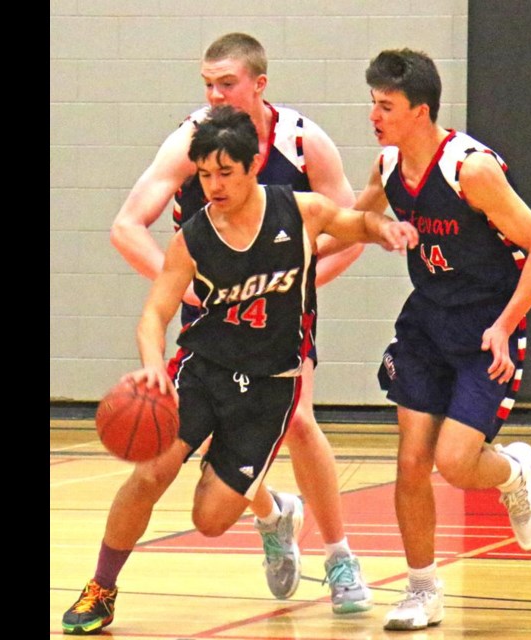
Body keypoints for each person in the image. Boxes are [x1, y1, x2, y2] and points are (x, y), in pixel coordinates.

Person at [64, 107, 418, 635]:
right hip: (204, 370)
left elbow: (354, 222)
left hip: (270, 390)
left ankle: (274, 511)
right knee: (150, 474)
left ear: (253, 166)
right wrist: (153, 368)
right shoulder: (194, 237)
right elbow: (154, 313)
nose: (214, 185)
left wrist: (385, 230)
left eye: (225, 172)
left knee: (209, 521)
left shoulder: (298, 210)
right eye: (204, 174)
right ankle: (101, 588)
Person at [355, 49, 531, 631]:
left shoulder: (470, 170)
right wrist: (330, 249)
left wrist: (504, 324)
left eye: (387, 106)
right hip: (426, 323)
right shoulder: (389, 165)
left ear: (421, 111)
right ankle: (422, 589)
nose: (375, 115)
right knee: (411, 460)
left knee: (455, 462)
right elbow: (351, 219)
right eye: (373, 103)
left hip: (485, 329)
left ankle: (516, 472)